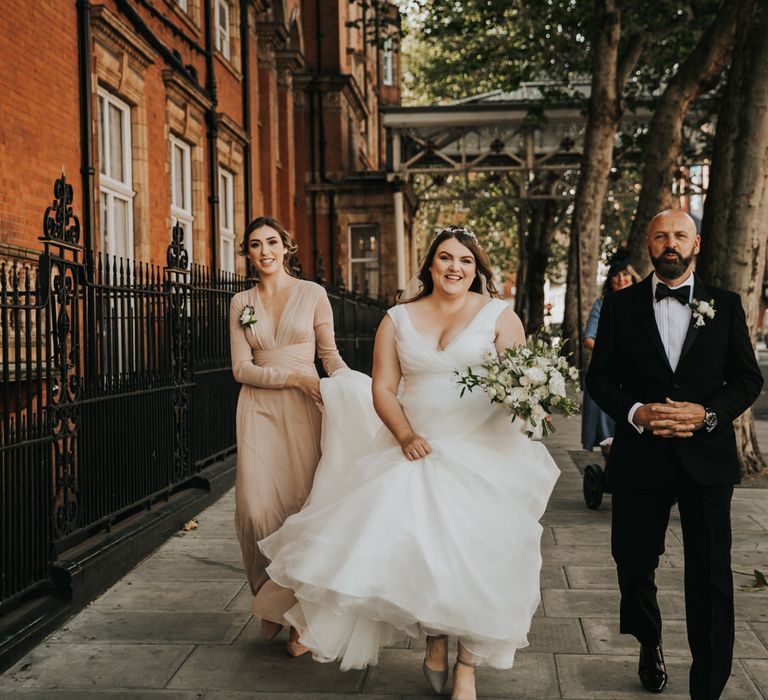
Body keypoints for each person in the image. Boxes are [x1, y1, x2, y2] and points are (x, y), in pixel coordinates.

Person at [260, 227, 560, 700]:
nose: (454, 267)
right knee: (425, 554)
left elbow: (519, 379)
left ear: (478, 268)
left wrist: (534, 404)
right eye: (445, 258)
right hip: (417, 446)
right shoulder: (397, 319)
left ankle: (468, 665)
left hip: (486, 452)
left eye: (465, 259)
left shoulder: (500, 316)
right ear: (430, 265)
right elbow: (383, 387)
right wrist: (405, 434)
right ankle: (435, 637)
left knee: (479, 559)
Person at [586, 209, 763, 698]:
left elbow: (748, 379)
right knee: (632, 561)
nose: (671, 243)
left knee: (710, 575)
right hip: (640, 459)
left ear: (696, 244)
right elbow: (598, 379)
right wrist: (637, 412)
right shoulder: (619, 307)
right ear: (648, 243)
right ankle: (649, 640)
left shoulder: (725, 305)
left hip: (706, 459)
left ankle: (707, 685)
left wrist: (707, 414)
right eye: (661, 235)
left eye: (680, 236)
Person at [229, 216, 347, 657]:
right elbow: (241, 369)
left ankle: (300, 615)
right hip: (258, 407)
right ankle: (269, 594)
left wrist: (354, 391)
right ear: (247, 254)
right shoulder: (240, 301)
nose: (265, 251)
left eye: (272, 242)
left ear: (286, 246)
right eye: (256, 245)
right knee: (255, 509)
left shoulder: (313, 294)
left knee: (303, 509)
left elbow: (329, 356)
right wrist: (290, 379)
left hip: (306, 408)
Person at [581, 250, 639, 451]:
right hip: (611, 373)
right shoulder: (602, 303)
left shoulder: (645, 302)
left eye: (625, 274)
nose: (621, 279)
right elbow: (589, 339)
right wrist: (613, 355)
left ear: (632, 277)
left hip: (639, 373)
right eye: (616, 275)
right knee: (609, 439)